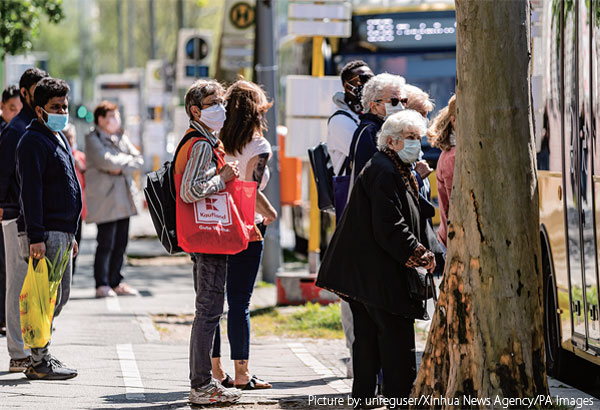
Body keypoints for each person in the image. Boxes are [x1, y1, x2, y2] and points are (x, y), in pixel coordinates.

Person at [316, 110, 438, 404]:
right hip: (375, 277)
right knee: (394, 347)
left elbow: (412, 217)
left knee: (368, 344)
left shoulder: (393, 167)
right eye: (410, 138)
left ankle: (364, 399)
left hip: (367, 276)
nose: (416, 144)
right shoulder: (384, 170)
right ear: (392, 142)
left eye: (418, 138)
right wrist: (419, 254)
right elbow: (390, 225)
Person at [175, 79, 243, 405]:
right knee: (209, 312)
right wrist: (224, 178)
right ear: (195, 110)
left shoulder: (200, 140)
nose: (221, 108)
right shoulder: (201, 144)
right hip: (208, 238)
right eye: (213, 102)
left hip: (204, 236)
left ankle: (201, 384)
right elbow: (190, 190)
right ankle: (201, 386)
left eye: (221, 101)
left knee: (207, 312)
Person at [210, 80, 278, 391]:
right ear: (257, 112)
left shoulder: (216, 138)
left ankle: (214, 370)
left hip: (213, 224)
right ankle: (242, 373)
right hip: (245, 227)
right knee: (239, 301)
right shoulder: (258, 145)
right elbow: (248, 189)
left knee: (211, 301)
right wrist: (270, 213)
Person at [16, 77, 81, 380]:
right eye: (56, 107)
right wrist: (36, 237)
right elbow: (31, 192)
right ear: (40, 110)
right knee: (45, 297)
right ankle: (39, 359)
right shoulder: (32, 141)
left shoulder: (57, 136)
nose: (62, 111)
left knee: (59, 295)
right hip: (48, 233)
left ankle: (41, 354)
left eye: (65, 106)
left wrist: (73, 233)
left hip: (64, 232)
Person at [0, 67, 49, 372]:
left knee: (29, 284)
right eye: (37, 89)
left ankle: (30, 346)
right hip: (14, 215)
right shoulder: (16, 129)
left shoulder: (34, 125)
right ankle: (18, 351)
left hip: (29, 217)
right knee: (17, 284)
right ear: (25, 93)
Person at [85, 101, 143, 298]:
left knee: (121, 242)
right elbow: (106, 161)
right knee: (106, 242)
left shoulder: (121, 137)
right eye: (110, 116)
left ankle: (116, 281)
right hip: (105, 200)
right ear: (100, 119)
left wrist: (120, 165)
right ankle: (102, 284)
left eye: (116, 115)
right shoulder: (92, 138)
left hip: (124, 199)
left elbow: (138, 159)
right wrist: (122, 162)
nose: (114, 120)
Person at [346, 73, 407, 182]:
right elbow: (373, 180)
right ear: (374, 107)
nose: (401, 107)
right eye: (394, 102)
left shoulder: (390, 130)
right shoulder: (369, 132)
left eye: (404, 101)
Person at [327, 60, 374, 176]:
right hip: (351, 190)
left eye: (372, 80)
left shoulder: (363, 115)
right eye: (364, 80)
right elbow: (366, 154)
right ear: (348, 87)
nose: (370, 85)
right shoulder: (340, 120)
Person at [0, 85, 21, 337]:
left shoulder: (17, 130)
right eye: (11, 109)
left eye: (19, 109)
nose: (15, 114)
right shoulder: (8, 133)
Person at [427, 95, 456, 247]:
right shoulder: (454, 157)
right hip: (455, 242)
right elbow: (456, 206)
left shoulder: (453, 153)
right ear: (454, 121)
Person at [64, 124, 86, 276]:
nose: (70, 140)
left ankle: (72, 273)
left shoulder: (80, 156)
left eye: (71, 137)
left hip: (79, 209)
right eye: (67, 137)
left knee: (78, 241)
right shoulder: (58, 153)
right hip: (63, 209)